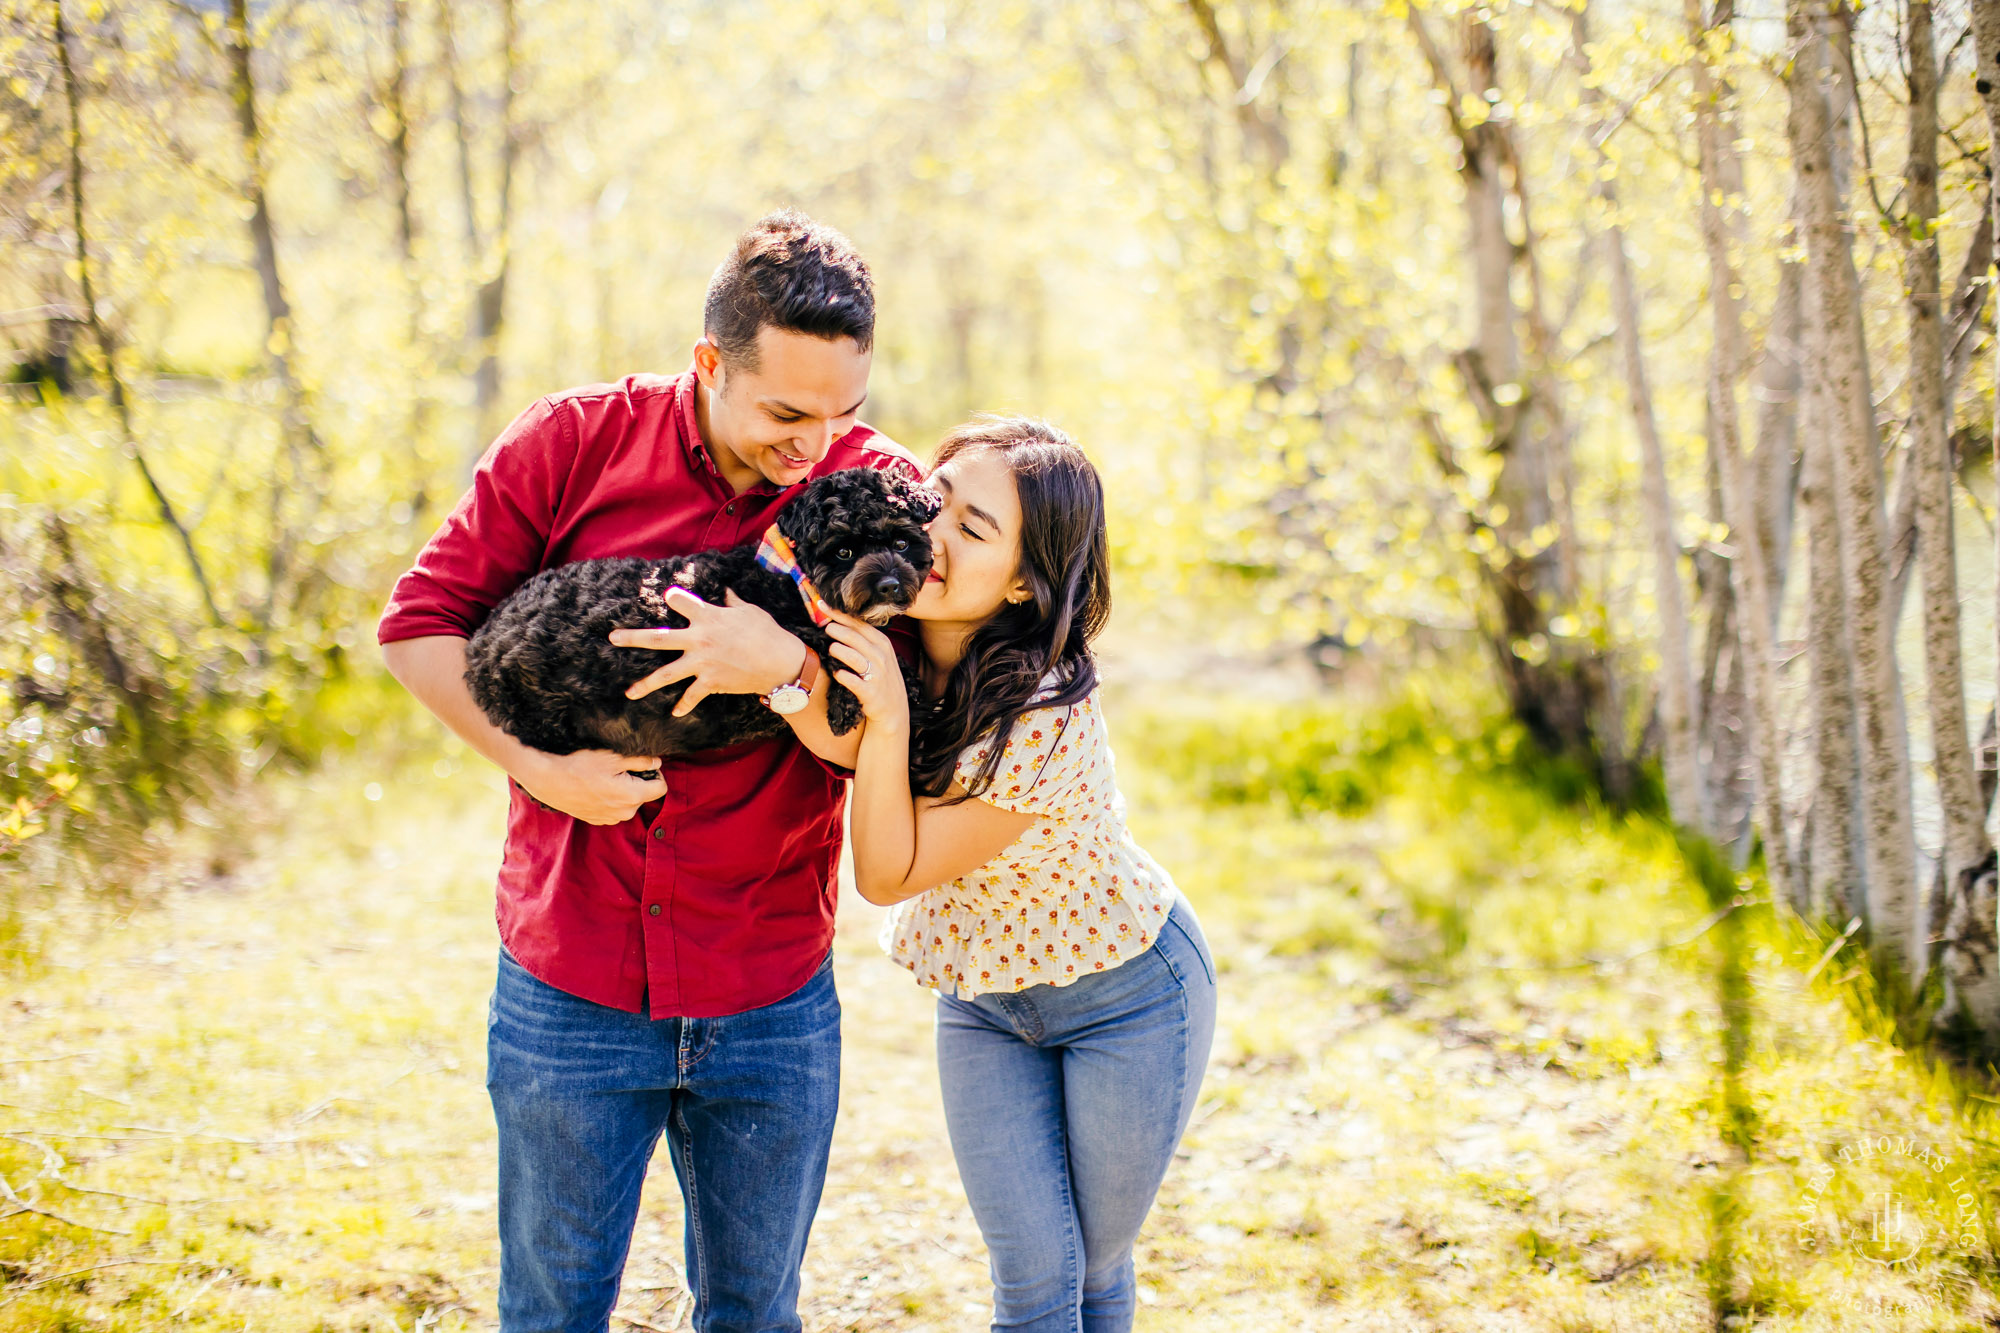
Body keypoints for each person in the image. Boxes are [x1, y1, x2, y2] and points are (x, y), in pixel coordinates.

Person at [376, 210, 918, 1333]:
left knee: (753, 1315)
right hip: (569, 972)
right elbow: (417, 625)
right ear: (709, 361)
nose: (814, 443)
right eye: (783, 412)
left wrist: (784, 674)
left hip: (768, 980)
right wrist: (540, 767)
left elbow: (910, 741)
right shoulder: (570, 443)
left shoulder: (877, 497)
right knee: (550, 1310)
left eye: (841, 411)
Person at [815, 415, 1218, 1333]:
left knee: (1096, 1268)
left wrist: (882, 717)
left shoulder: (1046, 711)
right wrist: (804, 682)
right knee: (1035, 1281)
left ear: (1028, 580)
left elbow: (886, 868)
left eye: (974, 527)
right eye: (935, 501)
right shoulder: (903, 634)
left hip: (1131, 997)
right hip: (986, 1000)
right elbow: (836, 727)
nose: (932, 535)